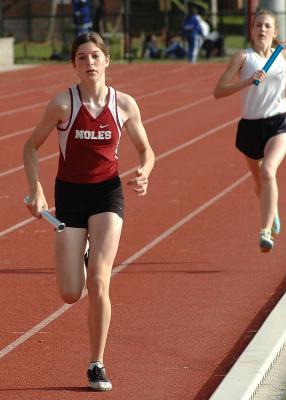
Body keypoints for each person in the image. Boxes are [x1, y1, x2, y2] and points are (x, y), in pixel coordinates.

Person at [23, 32, 155, 390]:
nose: (90, 62)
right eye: (82, 57)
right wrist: (35, 188)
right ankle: (81, 255)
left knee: (100, 280)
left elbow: (147, 150)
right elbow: (30, 147)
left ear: (107, 61)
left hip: (108, 195)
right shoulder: (63, 104)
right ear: (74, 65)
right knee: (70, 292)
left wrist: (144, 171)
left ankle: (96, 364)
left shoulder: (124, 104)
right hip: (70, 197)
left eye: (95, 56)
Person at [213, 9, 286, 253]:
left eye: (267, 26)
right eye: (257, 26)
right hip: (250, 126)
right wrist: (247, 80)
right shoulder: (243, 57)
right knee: (259, 183)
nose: (262, 30)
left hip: (278, 123)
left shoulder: (282, 55)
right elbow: (218, 90)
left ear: (275, 32)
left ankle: (265, 232)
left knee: (267, 170)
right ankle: (272, 209)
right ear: (251, 31)